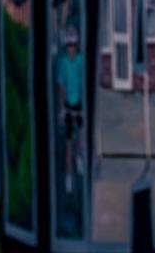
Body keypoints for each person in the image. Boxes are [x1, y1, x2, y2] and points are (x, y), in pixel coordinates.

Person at [57, 25, 84, 194]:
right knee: (68, 143)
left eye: (73, 46)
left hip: (79, 103)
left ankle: (79, 158)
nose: (71, 49)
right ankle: (68, 177)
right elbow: (61, 86)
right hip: (68, 104)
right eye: (69, 46)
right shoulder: (64, 62)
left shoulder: (80, 60)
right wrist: (61, 108)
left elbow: (83, 81)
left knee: (80, 137)